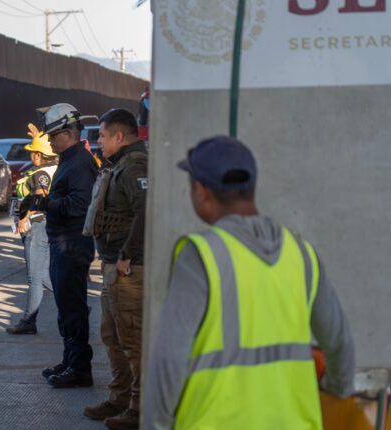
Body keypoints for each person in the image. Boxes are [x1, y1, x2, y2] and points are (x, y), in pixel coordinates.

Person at [143, 136, 355, 429]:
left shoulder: (202, 255)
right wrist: (338, 387)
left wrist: (156, 424)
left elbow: (169, 359)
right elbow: (339, 342)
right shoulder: (301, 253)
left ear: (202, 191)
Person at [21, 103, 97, 388]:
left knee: (73, 309)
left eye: (53, 136)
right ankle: (70, 361)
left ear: (68, 132)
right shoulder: (68, 159)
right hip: (62, 243)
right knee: (66, 309)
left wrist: (45, 203)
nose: (49, 141)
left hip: (73, 245)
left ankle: (80, 369)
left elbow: (80, 205)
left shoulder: (80, 162)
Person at [82, 109, 147, 430]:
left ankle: (139, 408)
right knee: (112, 335)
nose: (98, 142)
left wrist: (126, 255)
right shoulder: (120, 164)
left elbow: (145, 210)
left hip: (128, 269)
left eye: (103, 136)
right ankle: (120, 398)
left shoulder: (134, 165)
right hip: (114, 266)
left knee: (132, 339)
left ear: (119, 136)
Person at [7, 124, 59, 335]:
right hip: (44, 225)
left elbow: (39, 197)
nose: (31, 156)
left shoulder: (41, 174)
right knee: (44, 275)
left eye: (32, 153)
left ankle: (29, 321)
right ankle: (76, 304)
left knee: (34, 277)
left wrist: (25, 217)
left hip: (37, 225)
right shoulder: (55, 166)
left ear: (39, 155)